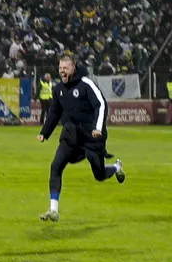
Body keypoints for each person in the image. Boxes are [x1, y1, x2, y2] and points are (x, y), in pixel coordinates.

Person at [37, 54, 125, 221]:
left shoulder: (86, 84)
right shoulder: (58, 90)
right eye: (60, 68)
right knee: (56, 166)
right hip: (70, 137)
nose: (62, 71)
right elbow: (54, 113)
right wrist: (44, 133)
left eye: (65, 68)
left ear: (74, 68)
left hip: (92, 137)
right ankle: (53, 209)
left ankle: (116, 168)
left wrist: (97, 128)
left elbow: (101, 104)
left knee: (99, 175)